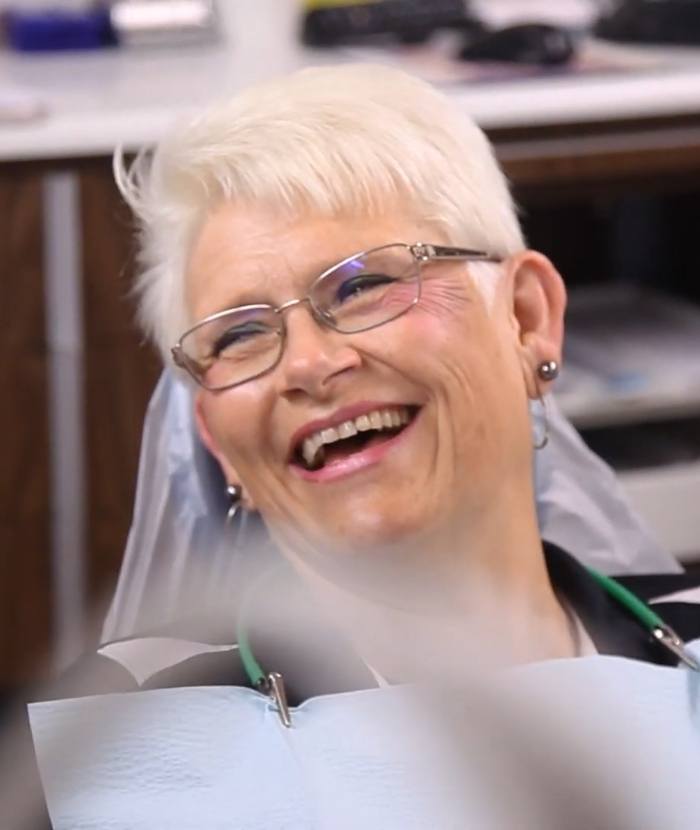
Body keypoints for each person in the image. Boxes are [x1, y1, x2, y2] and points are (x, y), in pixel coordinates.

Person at [13, 63, 700, 829]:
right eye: (240, 334)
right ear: (215, 438)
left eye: (362, 286)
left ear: (527, 317)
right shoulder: (108, 756)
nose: (309, 364)